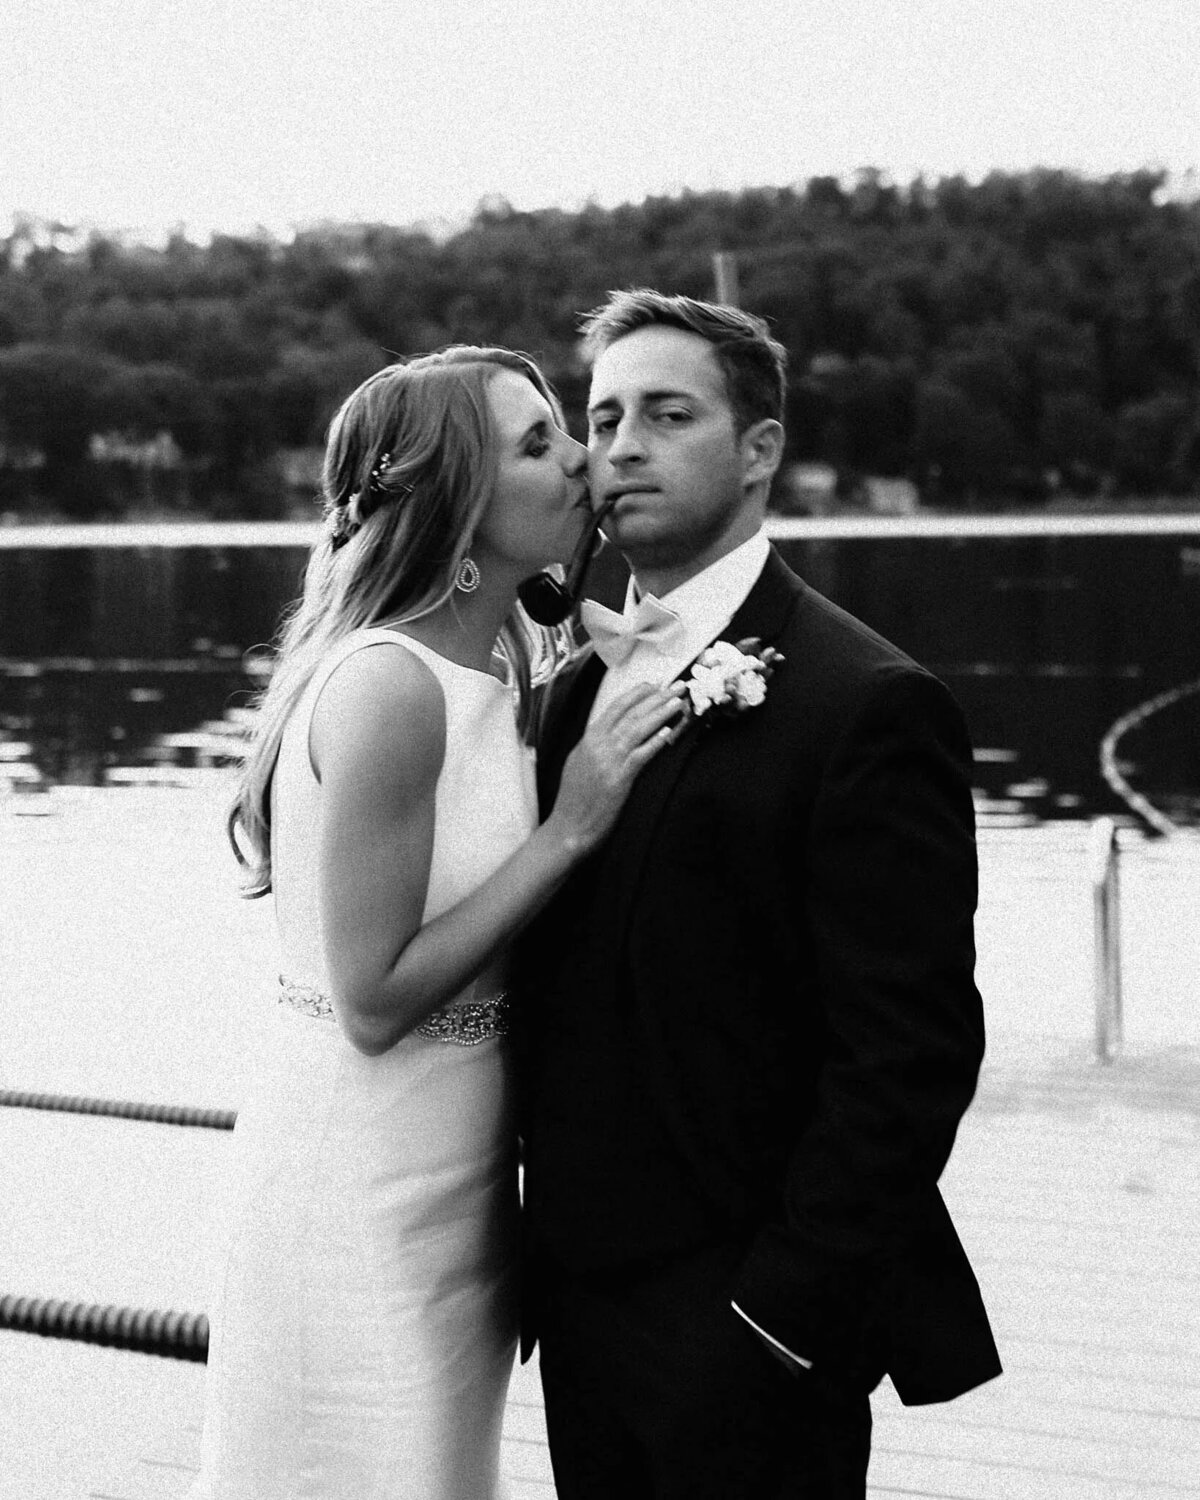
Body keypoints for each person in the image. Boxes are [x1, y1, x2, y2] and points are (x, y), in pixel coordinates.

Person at [515, 291, 1003, 1499]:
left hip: (752, 1326)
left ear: (760, 449)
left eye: (668, 414)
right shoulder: (576, 690)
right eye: (605, 415)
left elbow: (912, 1053)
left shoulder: (870, 703)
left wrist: (779, 1316)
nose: (620, 447)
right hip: (580, 1310)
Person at [190, 346, 686, 1500]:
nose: (585, 457)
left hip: (458, 1180)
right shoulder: (387, 688)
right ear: (457, 504)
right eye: (538, 443)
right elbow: (370, 1001)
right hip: (357, 1184)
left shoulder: (506, 663)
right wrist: (570, 830)